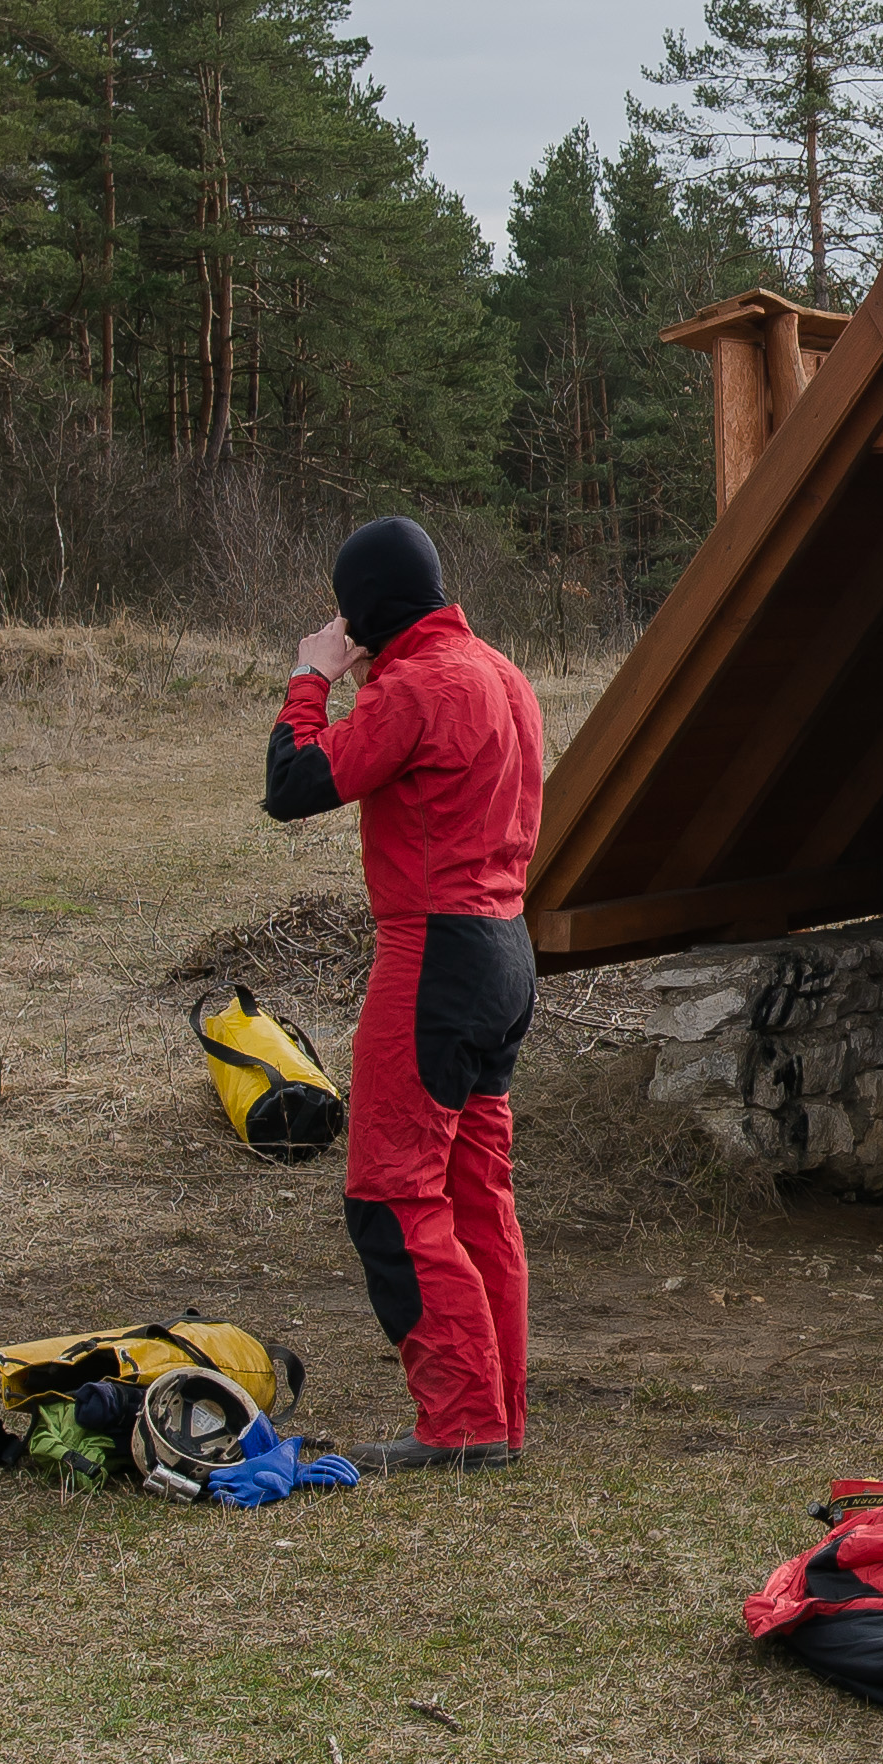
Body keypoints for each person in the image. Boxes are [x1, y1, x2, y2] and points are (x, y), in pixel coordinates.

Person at [265, 517, 547, 1469]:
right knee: (477, 1192)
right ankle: (496, 1416)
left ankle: (463, 1424)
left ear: (367, 606)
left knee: (391, 1193)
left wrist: (312, 679)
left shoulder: (418, 684)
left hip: (433, 950)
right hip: (508, 949)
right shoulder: (500, 673)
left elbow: (295, 783)